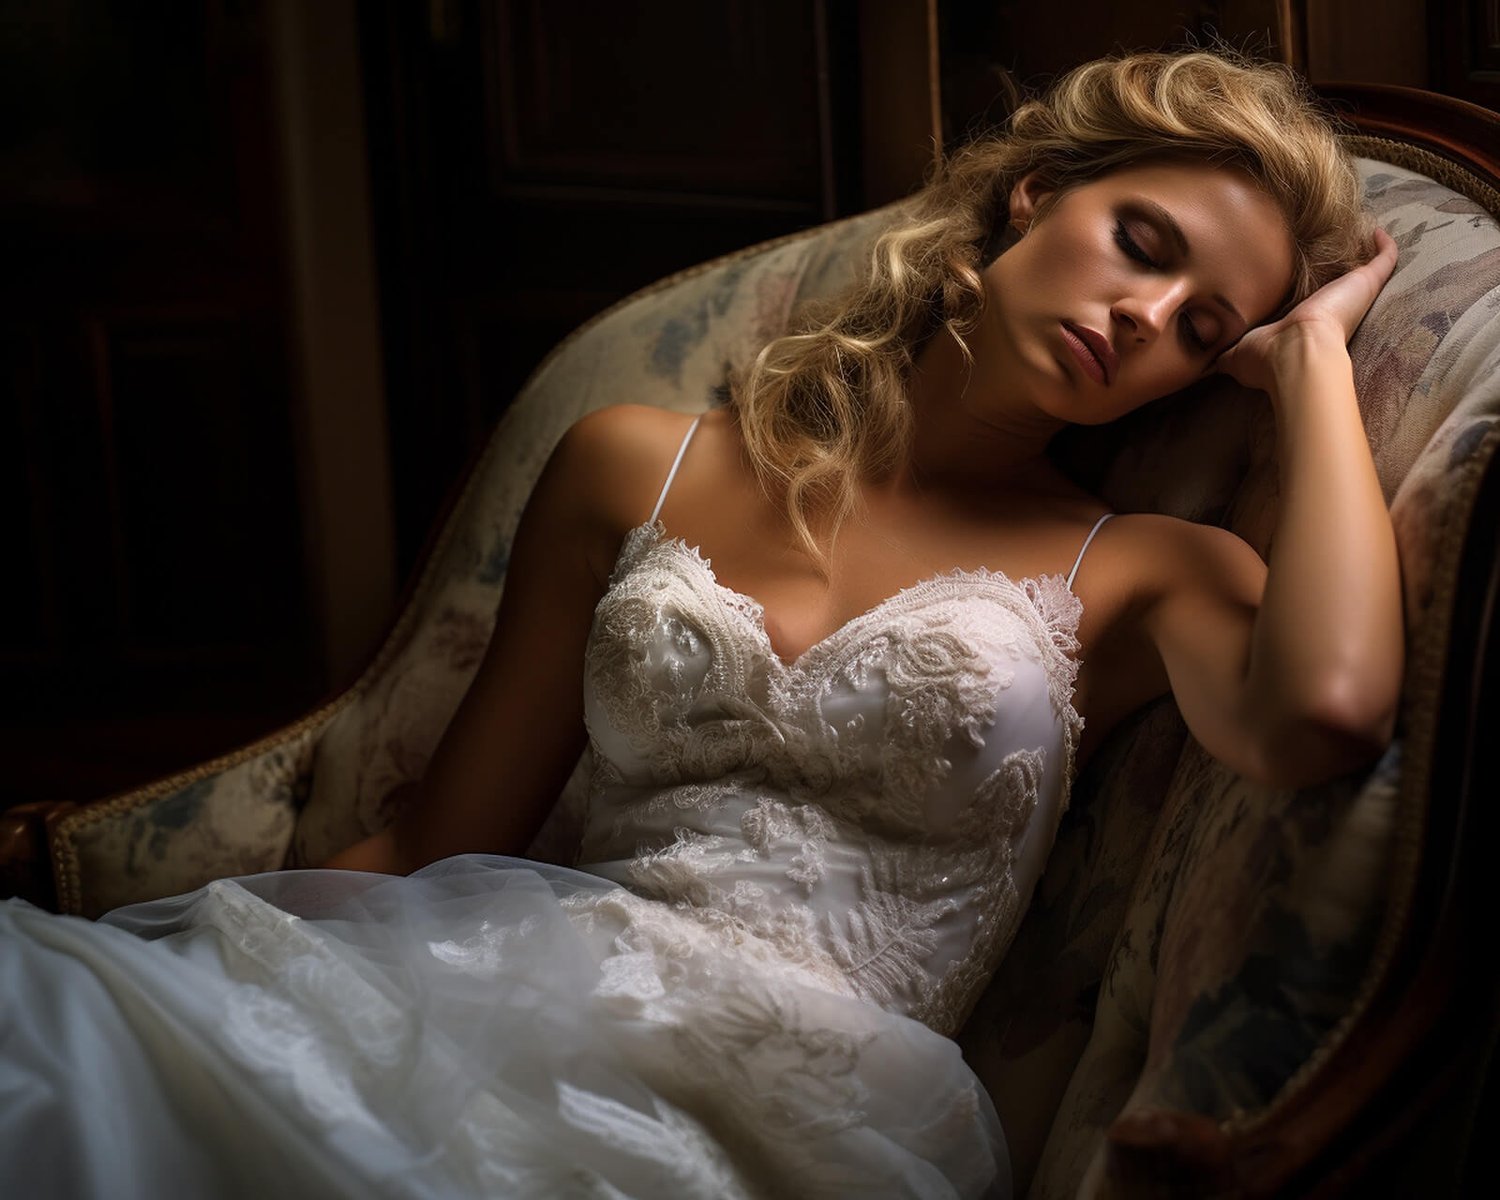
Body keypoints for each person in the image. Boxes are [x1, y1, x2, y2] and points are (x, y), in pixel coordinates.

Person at [0, 50, 1401, 1200]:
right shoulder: (631, 461)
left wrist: (1315, 366)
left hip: (806, 1123)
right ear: (1036, 198)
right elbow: (444, 844)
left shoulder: (1144, 573)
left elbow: (1328, 711)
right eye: (1138, 244)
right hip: (496, 1007)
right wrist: (172, 967)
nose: (1143, 314)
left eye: (1204, 327)